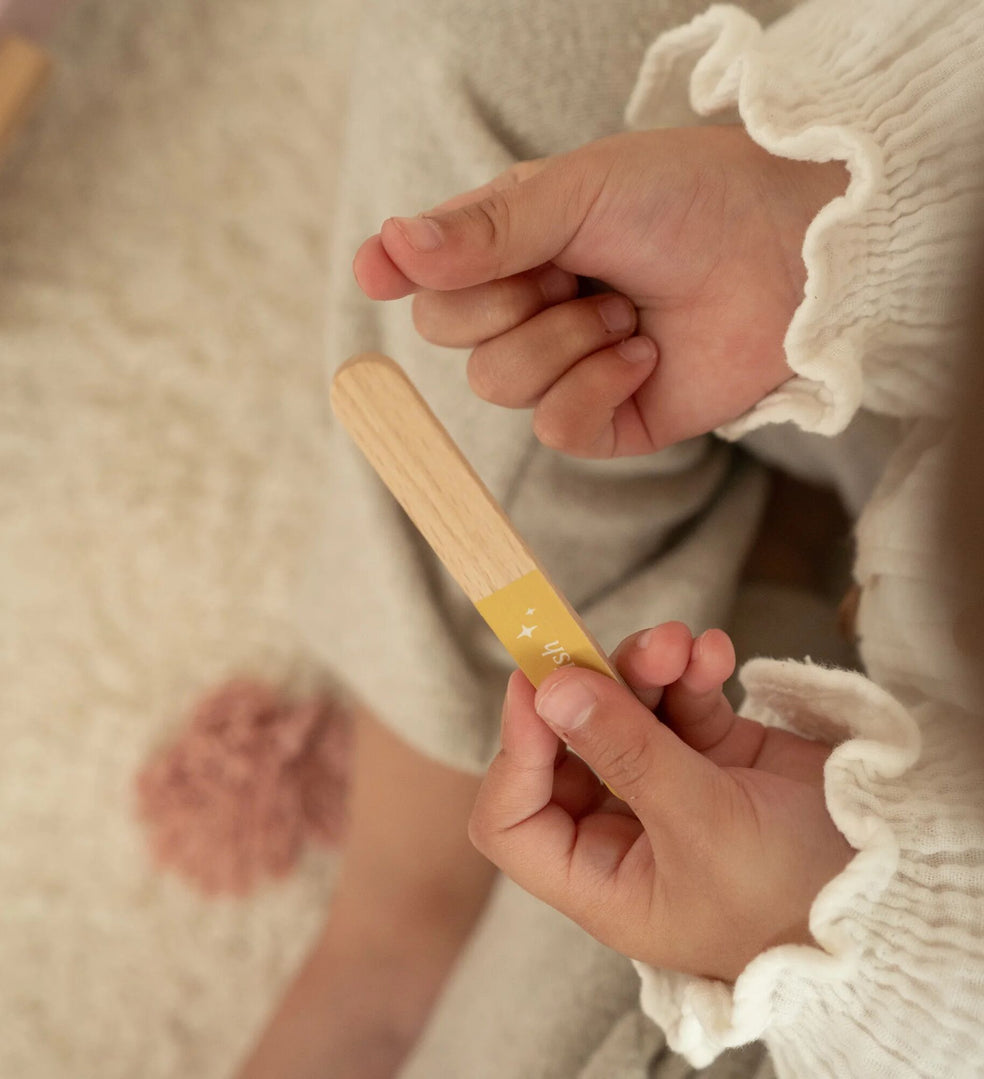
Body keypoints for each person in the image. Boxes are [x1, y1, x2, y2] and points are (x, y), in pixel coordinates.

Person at [239, 1, 984, 1076]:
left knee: (635, 973)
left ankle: (773, 578)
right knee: (507, 50)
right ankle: (400, 896)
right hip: (919, 381)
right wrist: (824, 214)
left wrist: (839, 926)